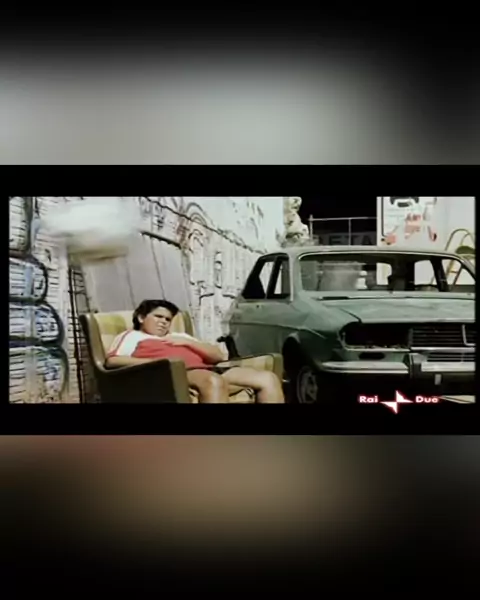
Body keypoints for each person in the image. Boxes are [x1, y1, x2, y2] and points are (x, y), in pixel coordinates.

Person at [105, 299, 285, 404]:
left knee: (268, 378)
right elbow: (112, 361)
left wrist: (188, 343)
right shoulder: (132, 336)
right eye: (158, 316)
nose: (163, 322)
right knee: (213, 381)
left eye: (167, 319)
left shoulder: (180, 336)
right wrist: (159, 363)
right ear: (141, 318)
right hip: (174, 373)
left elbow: (218, 356)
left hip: (209, 369)